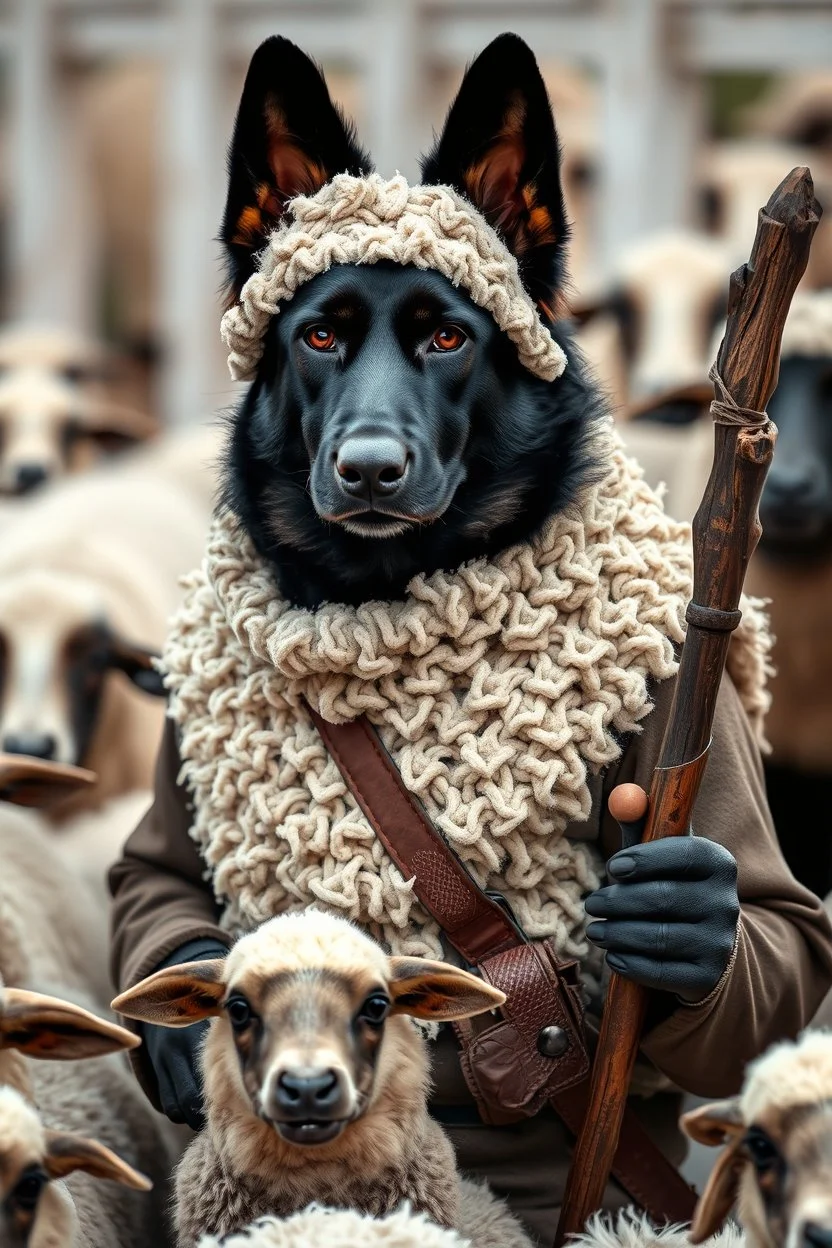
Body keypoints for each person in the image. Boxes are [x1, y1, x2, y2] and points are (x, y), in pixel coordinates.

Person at [109, 32, 832, 1247]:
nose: (371, 439)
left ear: (511, 363)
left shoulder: (635, 639)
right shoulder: (236, 645)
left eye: (440, 339)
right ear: (276, 366)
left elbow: (782, 966)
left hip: (561, 1197)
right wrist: (179, 985)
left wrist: (708, 958)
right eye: (326, 338)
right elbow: (162, 878)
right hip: (285, 1191)